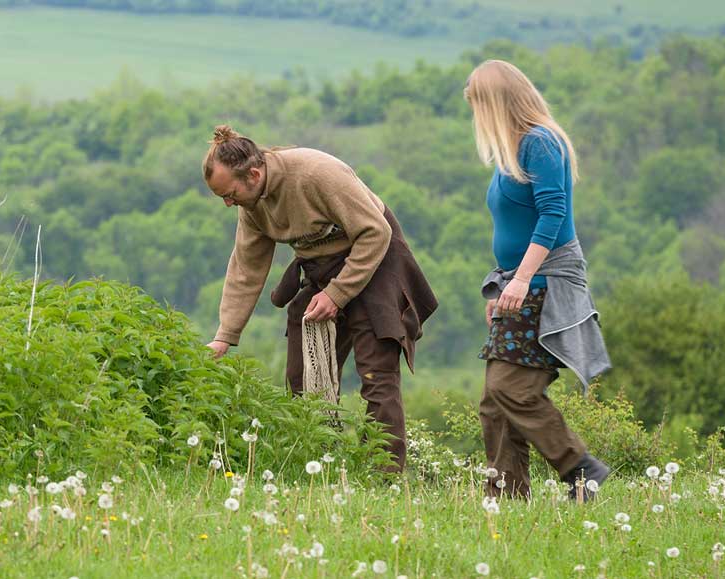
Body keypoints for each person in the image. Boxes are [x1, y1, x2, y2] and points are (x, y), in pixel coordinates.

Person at [202, 125, 437, 472]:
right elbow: (246, 268)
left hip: (374, 259)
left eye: (230, 193)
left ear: (253, 174)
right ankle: (317, 469)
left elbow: (376, 232)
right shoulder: (251, 203)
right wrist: (225, 336)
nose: (227, 203)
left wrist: (337, 294)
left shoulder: (316, 173)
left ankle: (383, 476)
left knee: (376, 376)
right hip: (320, 268)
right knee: (302, 379)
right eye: (222, 196)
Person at [464, 60, 612, 501]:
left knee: (511, 388)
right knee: (495, 403)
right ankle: (505, 499)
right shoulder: (511, 150)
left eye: (479, 105)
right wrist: (505, 282)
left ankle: (579, 468)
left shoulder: (539, 143)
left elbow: (553, 215)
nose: (476, 116)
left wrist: (521, 280)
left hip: (547, 281)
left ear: (497, 103)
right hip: (521, 282)